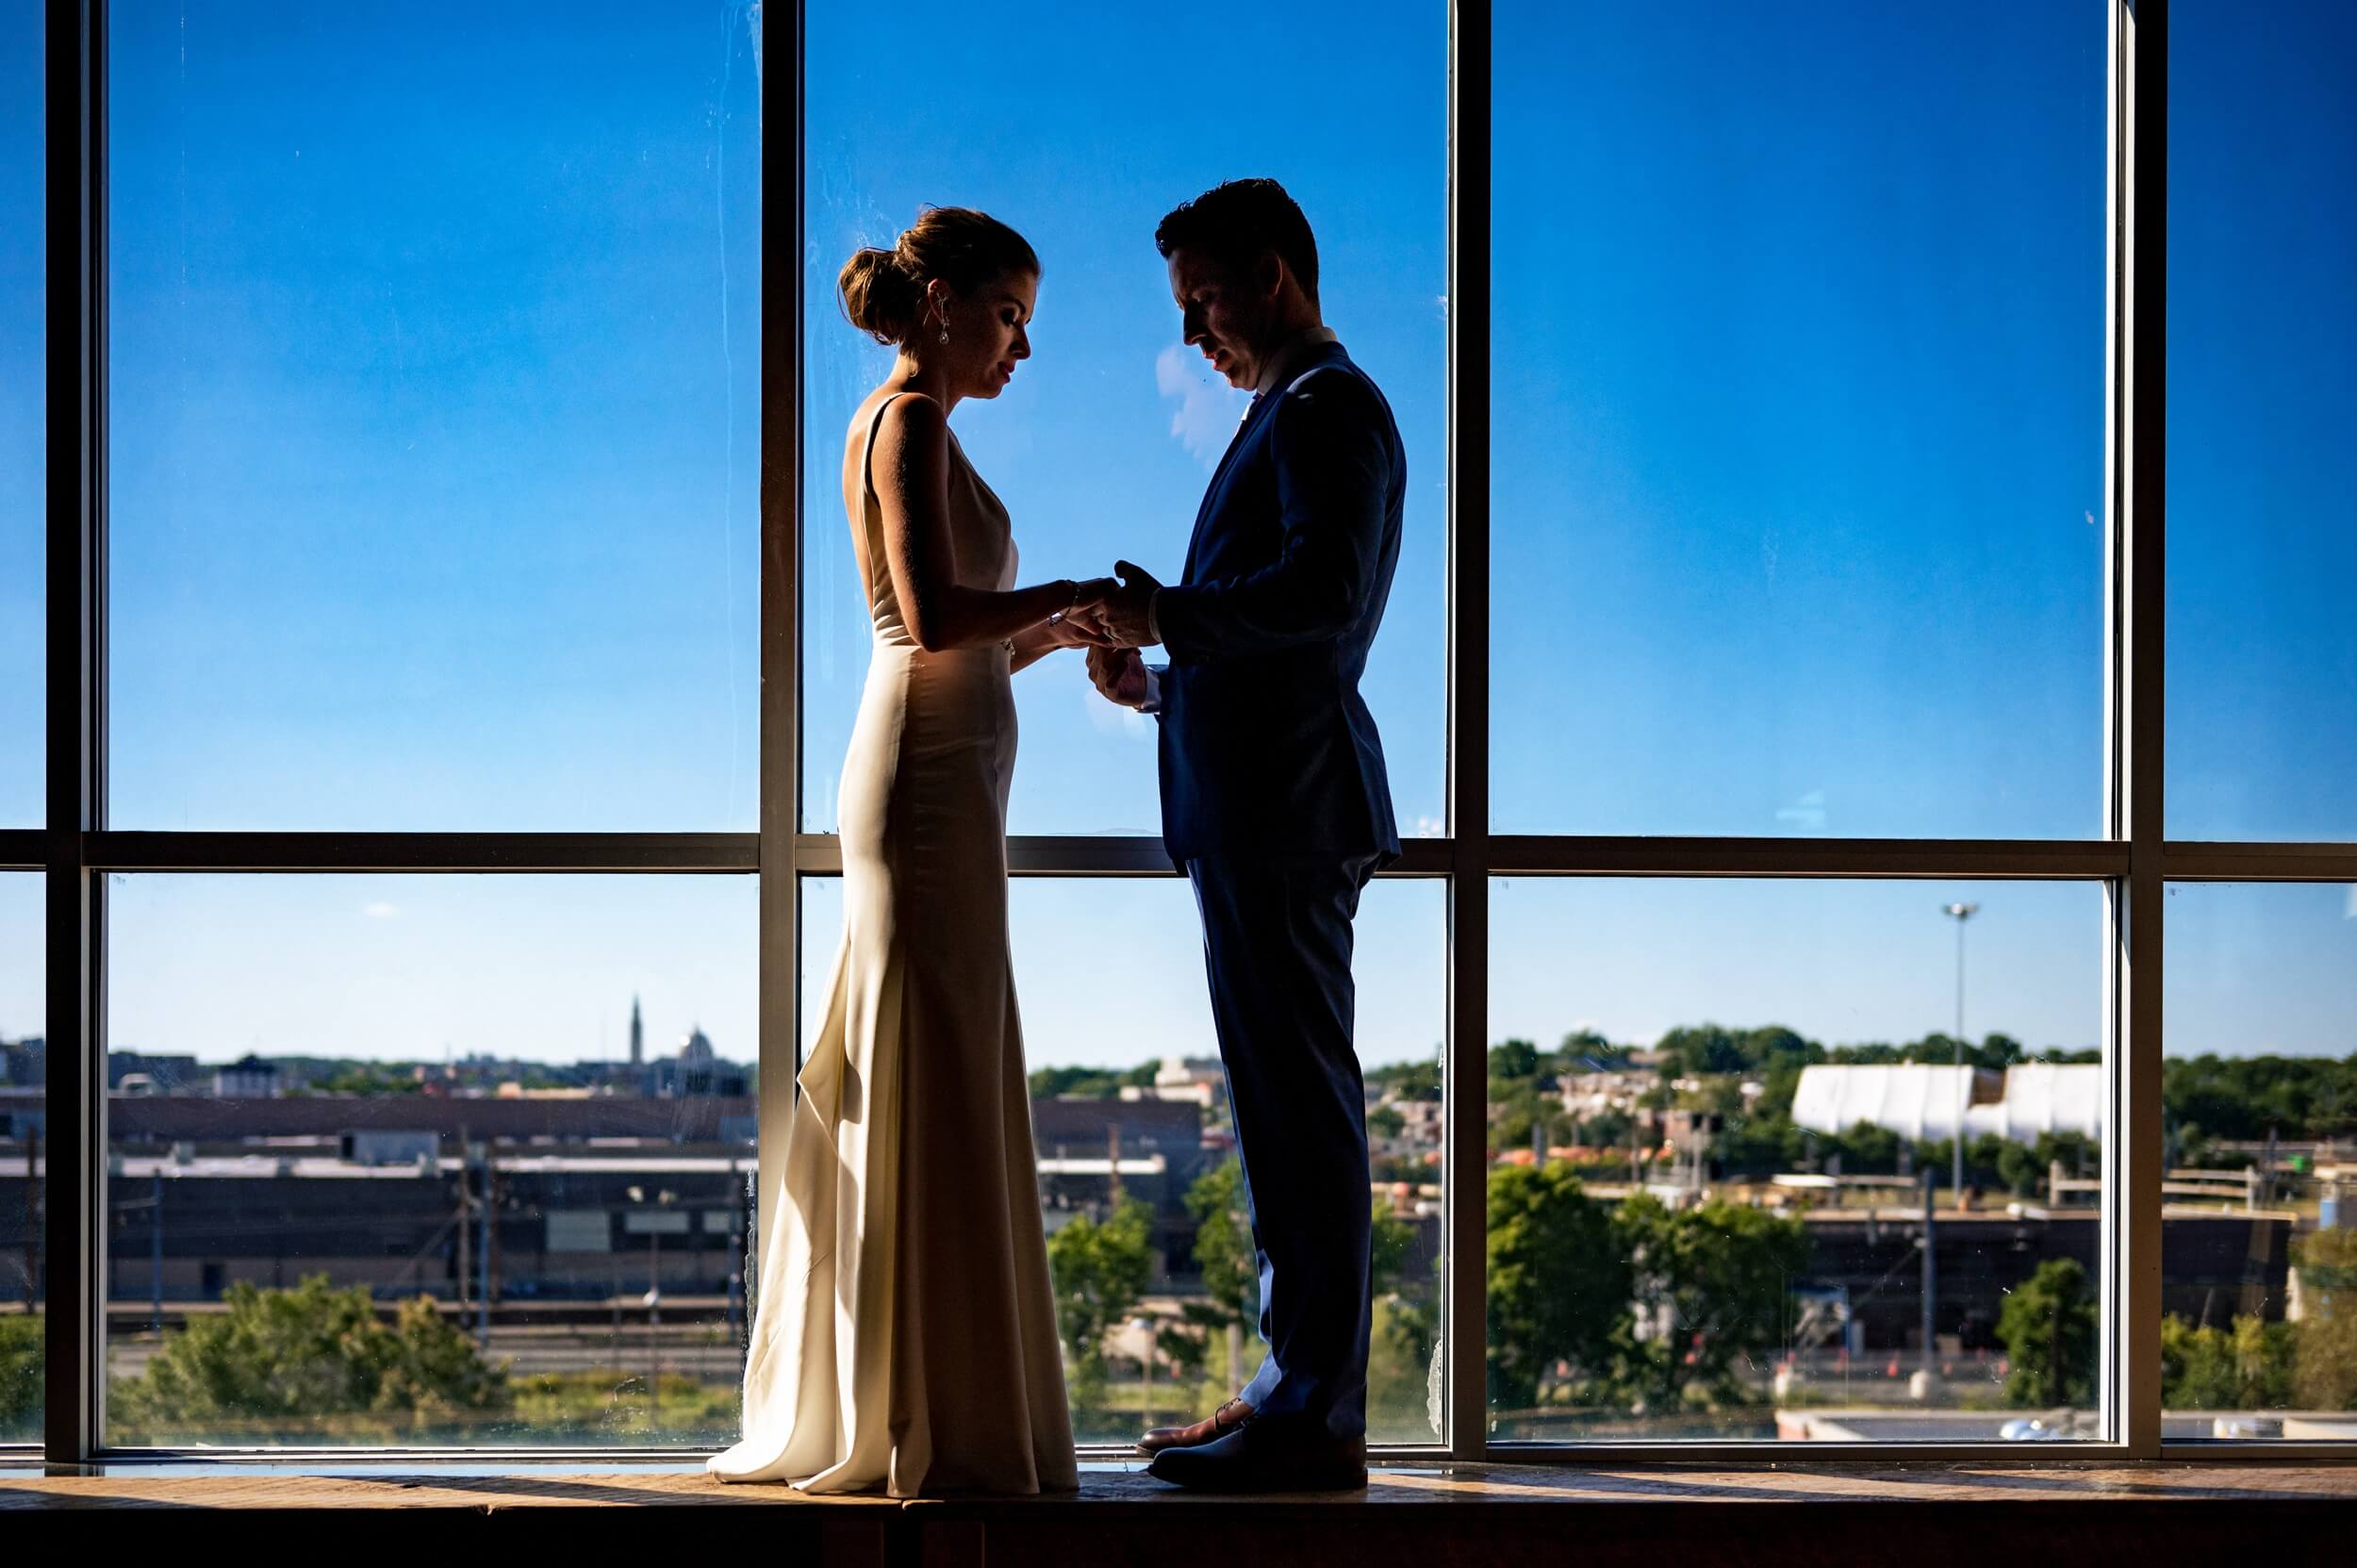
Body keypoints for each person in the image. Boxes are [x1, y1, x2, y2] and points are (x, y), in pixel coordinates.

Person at [710, 206, 1111, 1496]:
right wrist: (1061, 595)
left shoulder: (916, 428)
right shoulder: (909, 424)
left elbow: (954, 630)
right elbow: (934, 618)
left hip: (945, 779)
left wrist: (1066, 630)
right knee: (926, 1053)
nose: (1022, 350)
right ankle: (925, 1410)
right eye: (1010, 317)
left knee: (936, 1054)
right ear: (940, 301)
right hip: (924, 785)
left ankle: (919, 1394)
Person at [1083, 178, 1406, 1492]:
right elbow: (1274, 635)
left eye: (1202, 300)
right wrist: (1163, 680)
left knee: (1300, 1116)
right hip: (1260, 805)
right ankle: (1292, 1388)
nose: (1194, 333)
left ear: (1269, 276)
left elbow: (1321, 600)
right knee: (1280, 1117)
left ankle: (1314, 1412)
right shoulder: (1297, 413)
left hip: (1283, 809)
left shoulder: (1329, 408)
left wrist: (1172, 620)